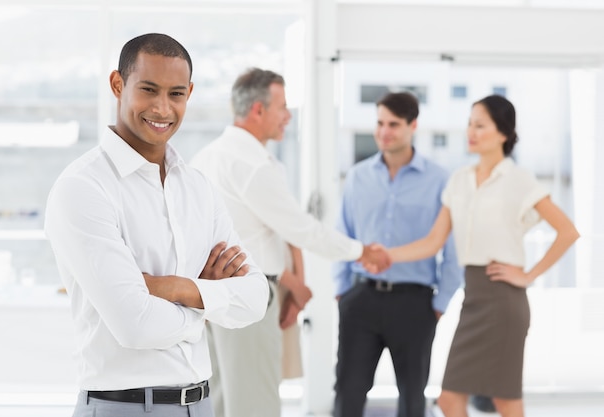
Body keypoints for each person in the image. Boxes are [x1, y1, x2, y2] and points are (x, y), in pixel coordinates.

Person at [44, 33, 269, 417]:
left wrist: (174, 288)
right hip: (124, 408)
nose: (163, 108)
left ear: (189, 93)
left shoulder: (198, 187)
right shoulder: (83, 188)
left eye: (176, 94)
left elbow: (255, 298)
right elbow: (135, 326)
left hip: (201, 405)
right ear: (118, 85)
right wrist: (209, 302)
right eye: (149, 90)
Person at [189, 67, 390, 417]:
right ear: (258, 110)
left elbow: (266, 230)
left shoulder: (206, 158)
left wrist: (293, 280)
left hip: (212, 298)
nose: (287, 116)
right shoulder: (251, 163)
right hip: (247, 297)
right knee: (255, 406)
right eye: (282, 106)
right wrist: (361, 251)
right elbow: (300, 228)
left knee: (221, 403)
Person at [366, 95, 580, 417]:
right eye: (469, 124)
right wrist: (385, 255)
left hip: (504, 300)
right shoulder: (459, 180)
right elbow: (433, 241)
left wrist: (527, 275)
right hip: (473, 299)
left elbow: (567, 232)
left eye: (480, 125)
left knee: (505, 400)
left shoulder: (518, 179)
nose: (471, 131)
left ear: (503, 133)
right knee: (450, 400)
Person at [332, 92, 463, 417]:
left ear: (413, 125)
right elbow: (342, 236)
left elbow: (452, 250)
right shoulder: (358, 176)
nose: (384, 131)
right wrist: (342, 291)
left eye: (393, 124)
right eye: (379, 123)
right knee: (348, 390)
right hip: (361, 298)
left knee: (412, 398)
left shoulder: (439, 180)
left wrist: (440, 303)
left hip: (415, 304)